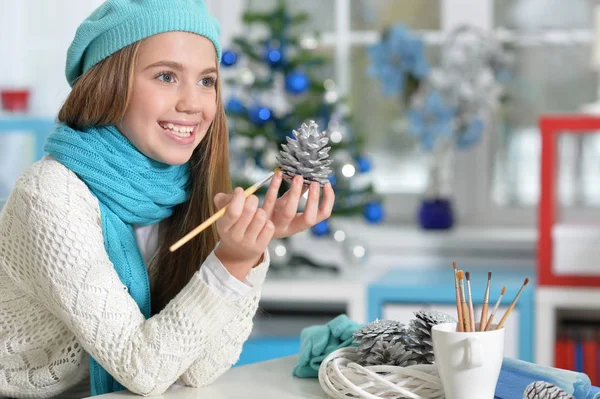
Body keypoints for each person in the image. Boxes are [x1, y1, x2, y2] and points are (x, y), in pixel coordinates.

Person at [0, 0, 334, 397]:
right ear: (108, 84)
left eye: (207, 81)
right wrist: (231, 263)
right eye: (165, 76)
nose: (193, 104)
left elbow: (200, 368)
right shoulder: (50, 195)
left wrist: (251, 252)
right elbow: (142, 370)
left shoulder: (183, 188)